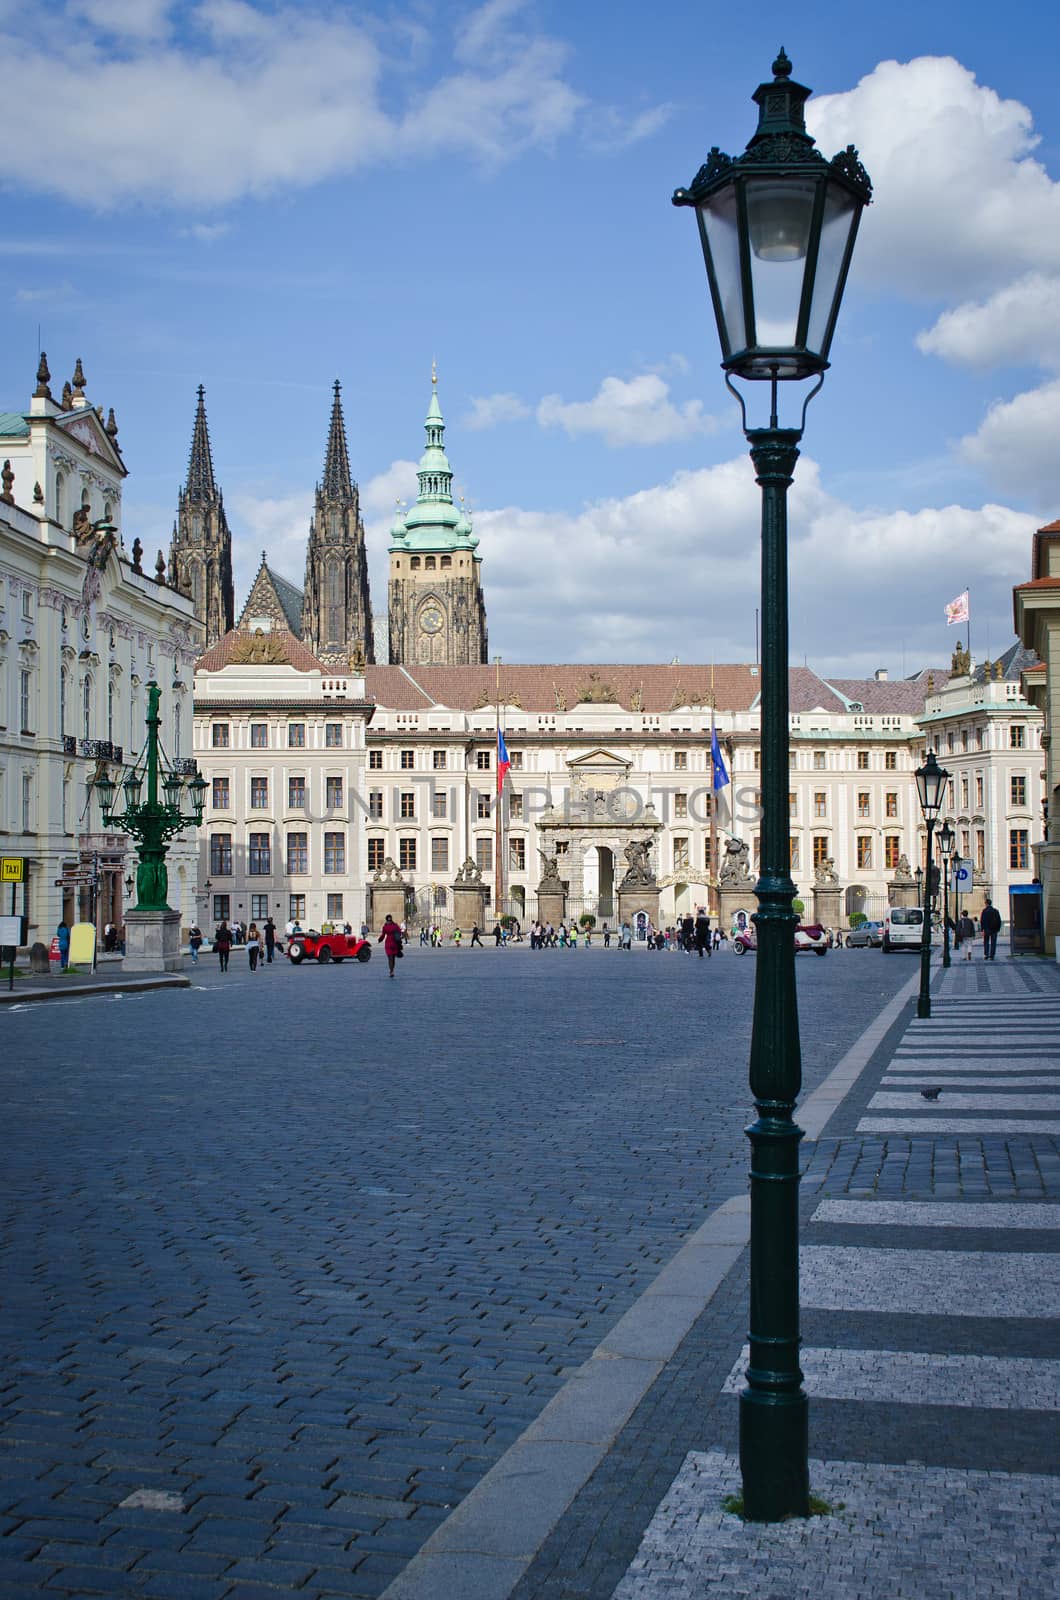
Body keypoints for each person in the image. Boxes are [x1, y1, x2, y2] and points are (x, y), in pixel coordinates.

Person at [379, 913, 402, 977]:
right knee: (393, 958)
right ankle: (392, 970)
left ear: (386, 920)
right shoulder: (395, 926)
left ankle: (391, 971)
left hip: (388, 943)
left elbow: (383, 935)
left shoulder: (385, 927)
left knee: (390, 958)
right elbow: (399, 932)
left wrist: (379, 940)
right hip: (394, 943)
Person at [980, 897, 1002, 961]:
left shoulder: (984, 911)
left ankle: (986, 954)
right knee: (993, 942)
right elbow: (999, 920)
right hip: (994, 929)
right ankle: (992, 955)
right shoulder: (995, 911)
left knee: (986, 942)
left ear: (986, 904)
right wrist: (998, 928)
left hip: (987, 929)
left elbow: (982, 920)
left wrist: (982, 929)